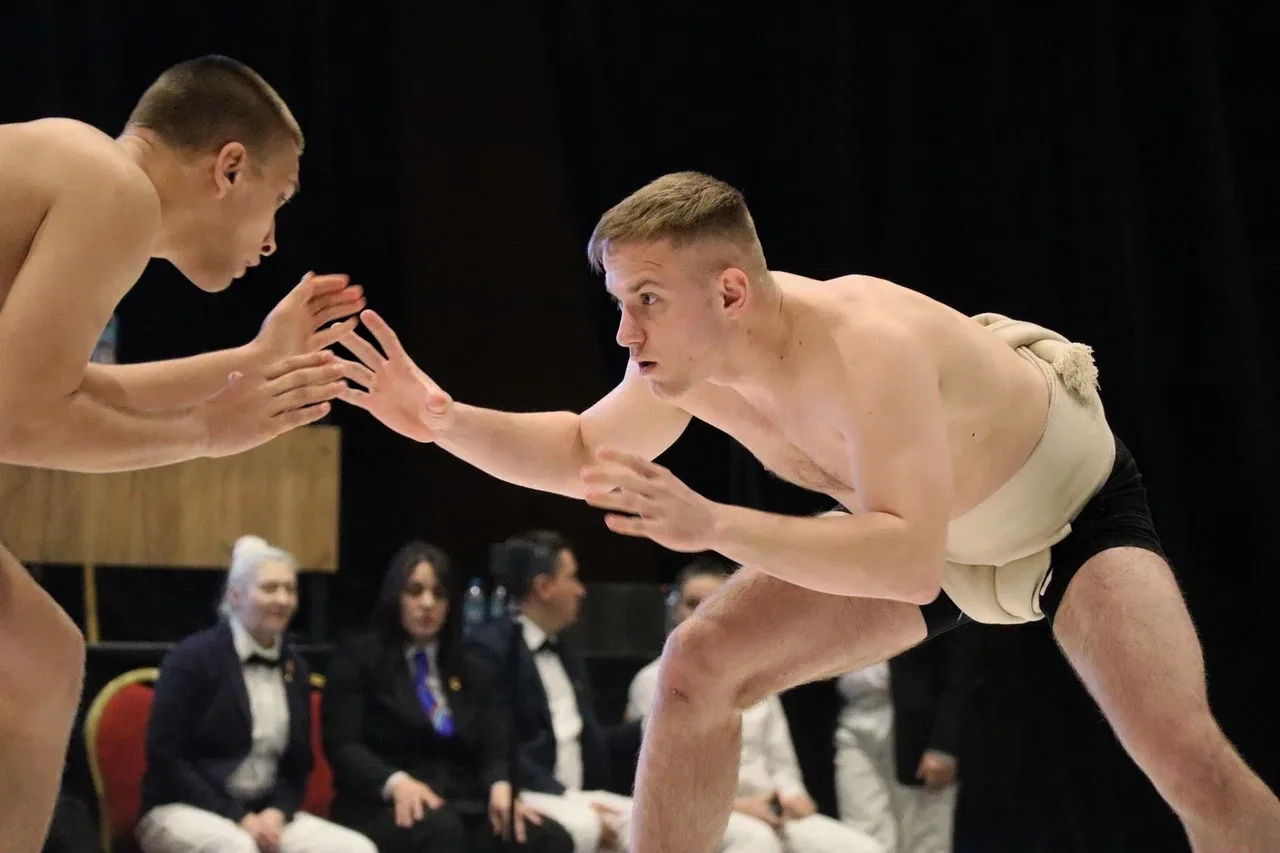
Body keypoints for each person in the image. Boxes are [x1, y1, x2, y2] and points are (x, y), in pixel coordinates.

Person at [332, 170, 1280, 853]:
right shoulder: (684, 368)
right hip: (927, 540)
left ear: (730, 290)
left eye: (647, 300)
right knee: (697, 665)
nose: (626, 331)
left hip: (1067, 520)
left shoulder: (867, 342)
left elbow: (906, 561)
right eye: (621, 301)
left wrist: (713, 524)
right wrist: (442, 420)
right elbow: (584, 447)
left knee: (1189, 763)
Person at [0, 54, 370, 851]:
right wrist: (204, 433)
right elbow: (20, 418)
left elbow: (72, 387)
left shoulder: (80, 169)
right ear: (229, 167)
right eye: (277, 201)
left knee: (39, 653)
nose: (272, 241)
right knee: (34, 654)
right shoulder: (114, 190)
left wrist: (253, 362)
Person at [322, 540, 572, 853]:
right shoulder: (359, 657)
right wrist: (395, 782)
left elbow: (495, 742)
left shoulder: (471, 665)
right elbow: (343, 745)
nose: (427, 603)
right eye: (415, 592)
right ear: (395, 597)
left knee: (547, 837)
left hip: (462, 800)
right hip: (385, 801)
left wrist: (500, 785)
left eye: (439, 594)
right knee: (442, 832)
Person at [627, 556, 884, 853]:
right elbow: (658, 779)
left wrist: (792, 795)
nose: (698, 615)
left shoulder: (758, 678)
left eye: (711, 605)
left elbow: (781, 760)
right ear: (675, 609)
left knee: (865, 848)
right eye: (692, 604)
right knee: (758, 842)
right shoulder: (652, 681)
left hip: (772, 808)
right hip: (699, 814)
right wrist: (741, 807)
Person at [138, 535, 377, 853]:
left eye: (290, 589)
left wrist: (277, 813)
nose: (283, 599)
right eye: (269, 588)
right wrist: (238, 817)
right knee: (238, 848)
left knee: (357, 848)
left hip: (263, 813)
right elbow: (166, 759)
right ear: (235, 595)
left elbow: (298, 767)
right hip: (182, 808)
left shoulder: (295, 668)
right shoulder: (191, 659)